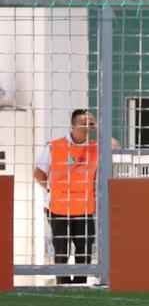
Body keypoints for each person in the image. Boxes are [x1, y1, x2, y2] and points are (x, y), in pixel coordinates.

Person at [33, 110, 117, 285]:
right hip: (58, 208)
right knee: (61, 251)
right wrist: (50, 189)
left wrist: (98, 128)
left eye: (89, 122)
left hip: (85, 208)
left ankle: (80, 284)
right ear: (72, 125)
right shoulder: (54, 146)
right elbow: (39, 173)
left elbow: (115, 145)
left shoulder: (95, 147)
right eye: (83, 122)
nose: (87, 125)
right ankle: (62, 284)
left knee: (84, 249)